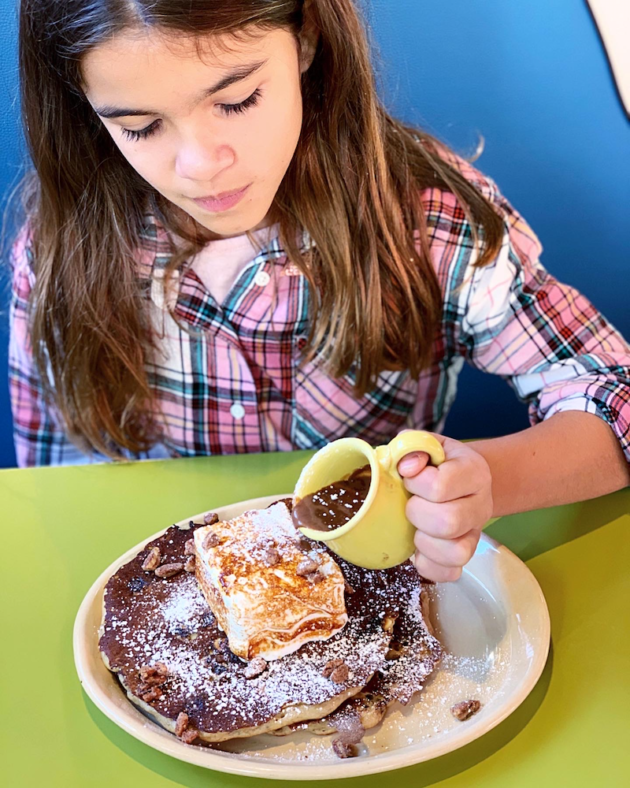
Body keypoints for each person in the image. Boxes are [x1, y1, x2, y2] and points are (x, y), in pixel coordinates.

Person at [10, 0, 630, 582]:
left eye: (238, 99)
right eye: (142, 127)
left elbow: (611, 392)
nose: (199, 162)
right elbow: (58, 474)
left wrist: (490, 480)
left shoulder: (424, 221)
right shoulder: (59, 254)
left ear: (305, 38)